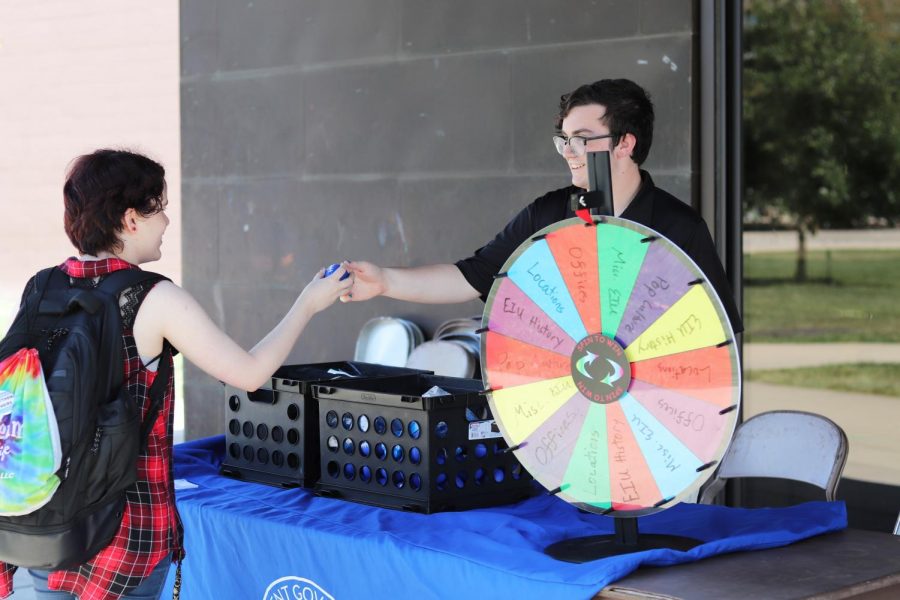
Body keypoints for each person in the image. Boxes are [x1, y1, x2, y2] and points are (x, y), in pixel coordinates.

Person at [0, 149, 353, 599]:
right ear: (130, 219)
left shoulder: (42, 286)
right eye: (159, 208)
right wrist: (308, 302)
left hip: (42, 520)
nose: (166, 221)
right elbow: (248, 374)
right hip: (124, 533)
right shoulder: (151, 296)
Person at [344, 78, 743, 333]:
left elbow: (717, 336)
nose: (569, 152)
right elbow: (475, 275)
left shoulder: (679, 227)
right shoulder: (549, 215)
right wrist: (385, 282)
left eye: (582, 139)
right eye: (564, 140)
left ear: (625, 143)